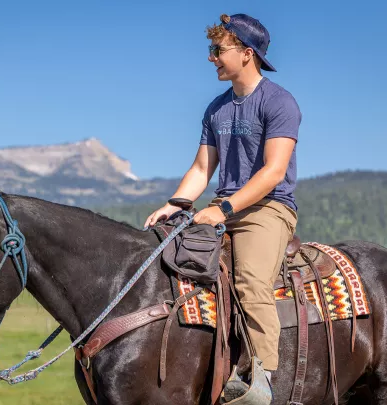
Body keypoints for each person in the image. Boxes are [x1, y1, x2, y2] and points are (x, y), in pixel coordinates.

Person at [144, 13, 301, 386]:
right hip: (223, 207)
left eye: (218, 50)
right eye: (211, 49)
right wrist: (177, 204)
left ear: (247, 54)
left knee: (250, 282)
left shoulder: (279, 102)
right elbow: (201, 169)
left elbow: (273, 172)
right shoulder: (216, 108)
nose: (211, 57)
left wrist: (223, 208)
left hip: (268, 208)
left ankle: (261, 381)